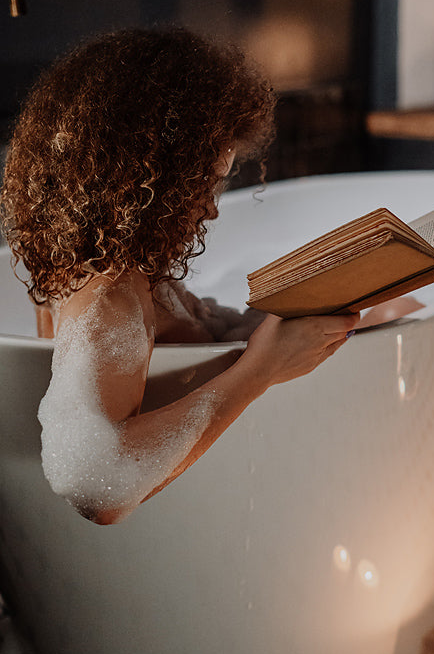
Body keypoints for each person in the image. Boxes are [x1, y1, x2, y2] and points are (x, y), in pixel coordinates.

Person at [0, 27, 358, 525]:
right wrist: (263, 369)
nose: (211, 209)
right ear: (151, 180)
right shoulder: (108, 293)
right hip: (176, 535)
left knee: (397, 306)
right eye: (202, 184)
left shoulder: (116, 261)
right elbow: (95, 479)